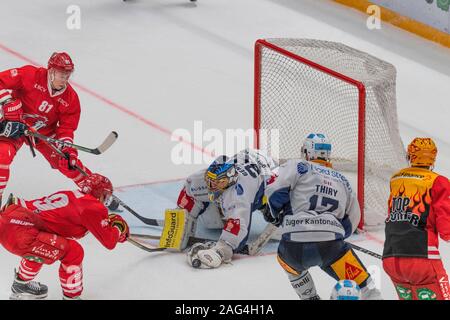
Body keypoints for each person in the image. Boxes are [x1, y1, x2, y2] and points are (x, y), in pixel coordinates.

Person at [263, 133, 382, 300]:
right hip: (331, 247)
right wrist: (337, 236)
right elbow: (353, 218)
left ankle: (309, 297)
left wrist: (277, 214)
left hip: (293, 247)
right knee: (367, 289)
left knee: (287, 263)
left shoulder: (297, 166)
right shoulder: (342, 180)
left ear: (306, 152)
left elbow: (275, 191)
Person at [0, 173, 129, 300]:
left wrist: (103, 223)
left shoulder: (72, 195)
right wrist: (118, 226)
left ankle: (21, 285)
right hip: (20, 230)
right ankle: (71, 297)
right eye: (105, 197)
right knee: (73, 252)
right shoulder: (92, 207)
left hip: (10, 218)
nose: (105, 202)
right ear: (99, 193)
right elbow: (110, 241)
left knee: (45, 244)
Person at [0, 52, 92, 203]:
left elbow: (66, 128)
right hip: (15, 126)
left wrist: (67, 149)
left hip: (42, 134)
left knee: (68, 162)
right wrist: (7, 101)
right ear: (51, 71)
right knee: (2, 154)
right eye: (61, 75)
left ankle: (96, 190)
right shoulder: (30, 74)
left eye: (67, 75)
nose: (65, 79)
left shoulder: (71, 98)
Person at [179, 149, 278, 269]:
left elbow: (239, 224)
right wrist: (180, 217)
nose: (211, 187)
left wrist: (221, 250)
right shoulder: (216, 177)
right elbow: (190, 186)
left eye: (217, 183)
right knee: (212, 223)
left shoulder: (239, 194)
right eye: (209, 180)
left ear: (230, 180)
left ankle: (270, 208)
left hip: (270, 175)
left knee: (280, 221)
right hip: (249, 159)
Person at [383, 137, 450, 300]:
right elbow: (446, 230)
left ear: (410, 155)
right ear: (433, 157)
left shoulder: (396, 179)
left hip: (391, 258)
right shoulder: (438, 182)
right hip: (423, 259)